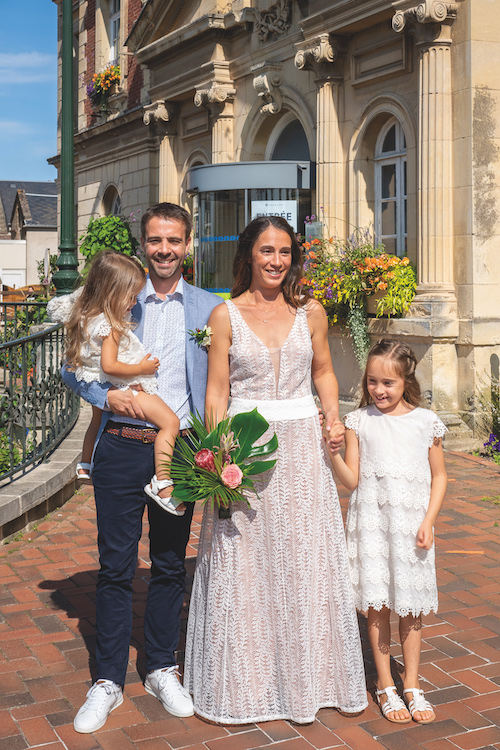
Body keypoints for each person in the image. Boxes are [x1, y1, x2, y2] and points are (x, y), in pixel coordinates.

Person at [183, 215, 368, 724]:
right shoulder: (225, 315)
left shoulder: (312, 312)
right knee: (247, 562)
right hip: (245, 452)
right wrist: (217, 455)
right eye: (267, 251)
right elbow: (217, 391)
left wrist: (332, 418)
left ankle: (312, 678)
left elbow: (325, 372)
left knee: (303, 558)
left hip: (305, 449)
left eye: (284, 252)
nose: (275, 261)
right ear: (248, 255)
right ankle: (248, 679)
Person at [60, 203, 221, 734]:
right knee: (115, 567)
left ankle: (158, 667)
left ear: (188, 243)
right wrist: (106, 393)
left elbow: (225, 377)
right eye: (155, 241)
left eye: (174, 240)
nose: (165, 250)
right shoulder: (119, 300)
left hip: (180, 448)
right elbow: (74, 368)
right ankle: (107, 679)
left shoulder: (207, 308)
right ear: (144, 244)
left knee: (172, 563)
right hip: (122, 444)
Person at [326, 338, 447, 725]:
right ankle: (385, 684)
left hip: (413, 529)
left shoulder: (426, 422)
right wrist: (331, 453)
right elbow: (351, 480)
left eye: (388, 383)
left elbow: (440, 476)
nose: (379, 390)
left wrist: (429, 520)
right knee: (377, 607)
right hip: (373, 528)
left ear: (405, 381)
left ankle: (411, 684)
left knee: (410, 611)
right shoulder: (359, 422)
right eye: (373, 381)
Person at [48, 251, 184, 515]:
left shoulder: (87, 316)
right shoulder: (108, 326)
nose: (134, 303)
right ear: (112, 293)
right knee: (171, 422)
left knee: (95, 421)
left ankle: (85, 465)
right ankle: (163, 481)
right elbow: (110, 366)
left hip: (103, 382)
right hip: (126, 387)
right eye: (131, 297)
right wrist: (142, 368)